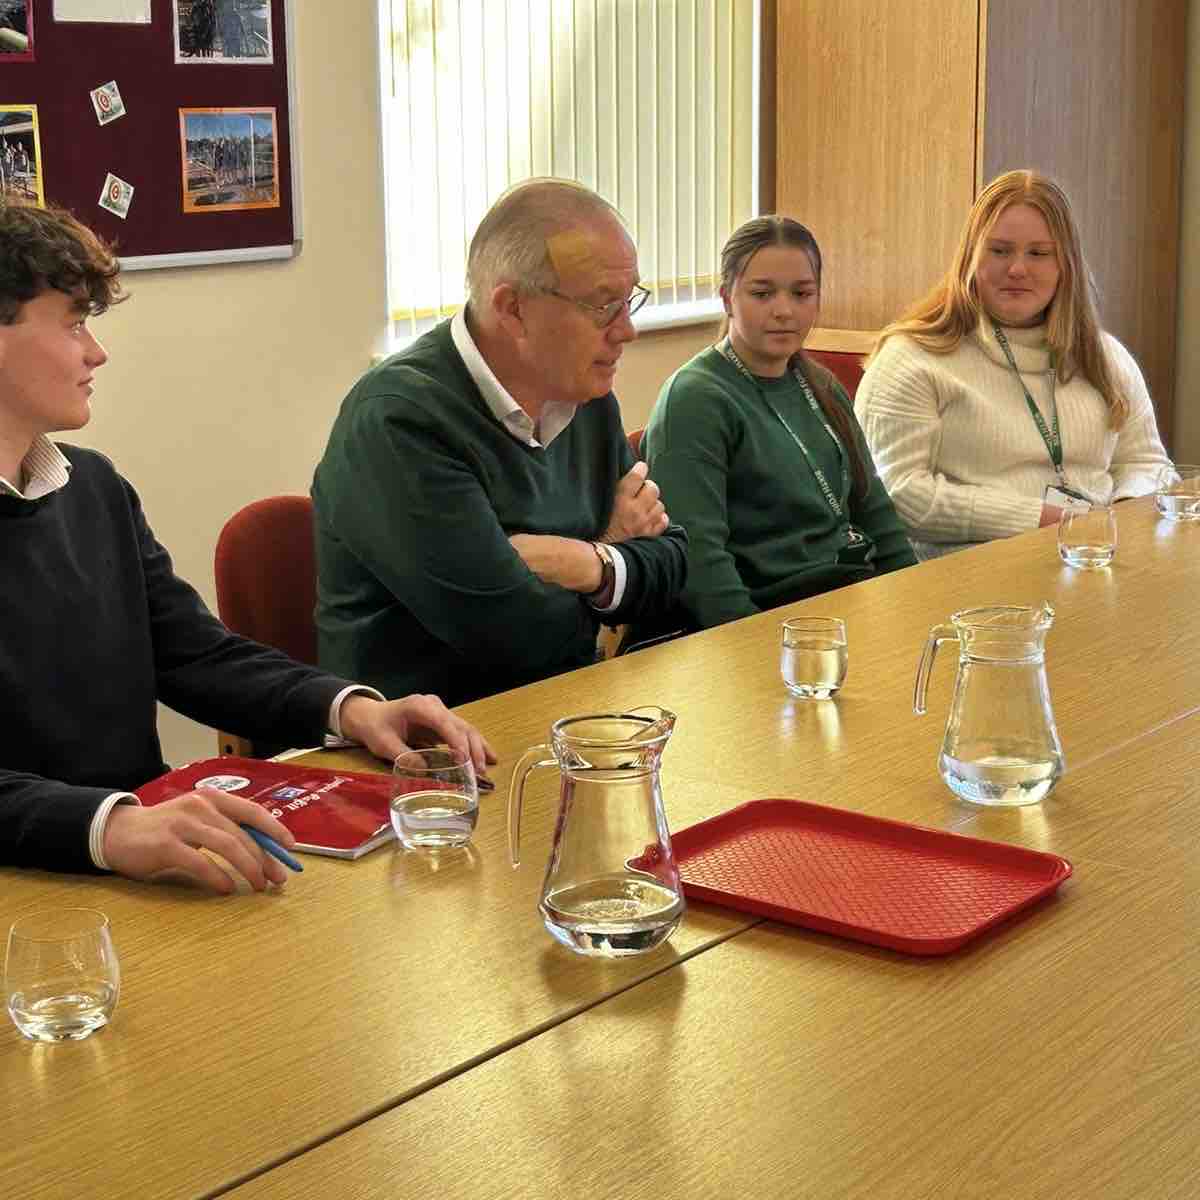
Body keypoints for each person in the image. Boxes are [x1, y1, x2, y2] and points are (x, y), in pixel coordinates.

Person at [0, 201, 495, 891]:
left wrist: (352, 709)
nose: (97, 350)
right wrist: (111, 825)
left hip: (140, 873)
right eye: (74, 321)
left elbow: (199, 655)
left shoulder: (96, 490)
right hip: (38, 891)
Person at [312, 178, 688, 705]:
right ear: (512, 309)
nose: (627, 331)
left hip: (569, 709)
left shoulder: (584, 392)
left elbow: (673, 564)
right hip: (431, 749)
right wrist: (614, 549)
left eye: (630, 302)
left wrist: (586, 561)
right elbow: (516, 638)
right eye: (603, 305)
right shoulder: (400, 420)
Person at [854, 169, 1170, 560]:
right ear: (970, 257)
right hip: (968, 572)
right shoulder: (910, 359)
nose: (1018, 269)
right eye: (1000, 250)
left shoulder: (1106, 357)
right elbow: (897, 494)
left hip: (1090, 556)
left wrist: (1123, 511)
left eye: (1039, 253)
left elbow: (1145, 463)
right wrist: (1040, 518)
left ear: (1065, 264)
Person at [640, 216, 915, 631]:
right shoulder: (695, 398)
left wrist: (914, 600)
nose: (784, 310)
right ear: (727, 299)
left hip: (849, 601)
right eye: (762, 293)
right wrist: (751, 644)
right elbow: (699, 559)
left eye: (802, 293)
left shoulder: (819, 383)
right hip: (770, 622)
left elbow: (876, 510)